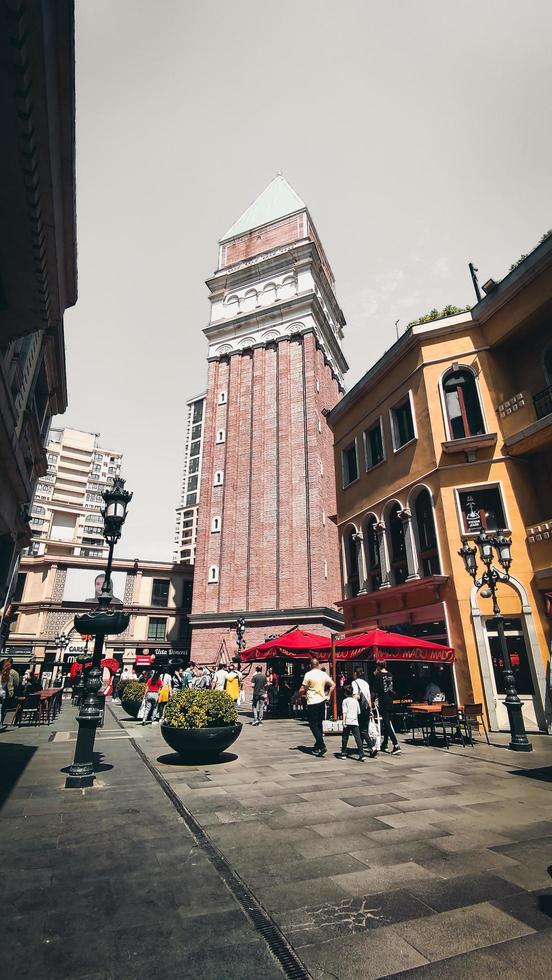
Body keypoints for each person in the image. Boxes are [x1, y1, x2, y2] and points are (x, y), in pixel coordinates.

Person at [297, 656, 335, 757]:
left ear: (310, 665)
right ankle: (318, 745)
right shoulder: (323, 674)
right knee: (319, 724)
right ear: (318, 665)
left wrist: (300, 696)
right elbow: (333, 685)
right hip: (322, 701)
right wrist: (328, 695)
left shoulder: (308, 674)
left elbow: (302, 689)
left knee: (313, 725)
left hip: (312, 702)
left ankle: (321, 745)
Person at [372, 662, 400, 754]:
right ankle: (385, 743)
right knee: (387, 721)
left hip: (383, 700)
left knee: (387, 722)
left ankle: (396, 744)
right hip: (390, 700)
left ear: (379, 666)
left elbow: (375, 690)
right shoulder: (390, 675)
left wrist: (372, 701)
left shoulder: (378, 675)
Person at [352, 669, 377, 756]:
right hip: (367, 707)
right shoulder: (365, 683)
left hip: (360, 708)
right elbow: (368, 697)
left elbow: (355, 695)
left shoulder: (354, 683)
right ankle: (361, 747)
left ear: (355, 673)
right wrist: (370, 709)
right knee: (364, 728)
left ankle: (372, 747)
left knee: (361, 730)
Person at [339, 684, 365, 761]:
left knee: (345, 737)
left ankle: (343, 753)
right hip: (355, 721)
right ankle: (361, 754)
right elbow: (358, 712)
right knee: (358, 738)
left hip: (347, 721)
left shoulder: (345, 701)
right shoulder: (355, 701)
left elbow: (344, 712)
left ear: (345, 693)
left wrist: (343, 721)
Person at [0, 657, 19, 725]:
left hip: (3, 692)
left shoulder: (2, 672)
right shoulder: (14, 673)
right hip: (6, 693)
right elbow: (16, 684)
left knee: (1, 708)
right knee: (3, 708)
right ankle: (2, 722)